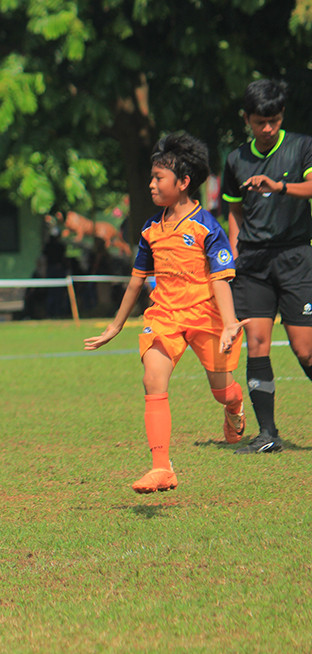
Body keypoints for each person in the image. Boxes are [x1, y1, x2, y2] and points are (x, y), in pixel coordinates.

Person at [84, 132, 248, 493]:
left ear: (183, 182)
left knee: (223, 392)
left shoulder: (207, 227)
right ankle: (162, 468)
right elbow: (136, 281)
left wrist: (229, 323)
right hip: (164, 316)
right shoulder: (150, 229)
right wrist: (115, 326)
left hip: (206, 316)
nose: (151, 184)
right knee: (152, 379)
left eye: (159, 178)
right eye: (152, 177)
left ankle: (234, 407)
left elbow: (221, 279)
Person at [221, 79, 312, 454]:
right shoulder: (235, 160)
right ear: (247, 119)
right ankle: (268, 435)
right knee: (257, 344)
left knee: (304, 349)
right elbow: (234, 210)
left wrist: (279, 187)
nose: (268, 128)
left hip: (295, 258)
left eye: (274, 121)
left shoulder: (301, 146)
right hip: (253, 263)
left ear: (282, 116)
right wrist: (233, 254)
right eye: (260, 122)